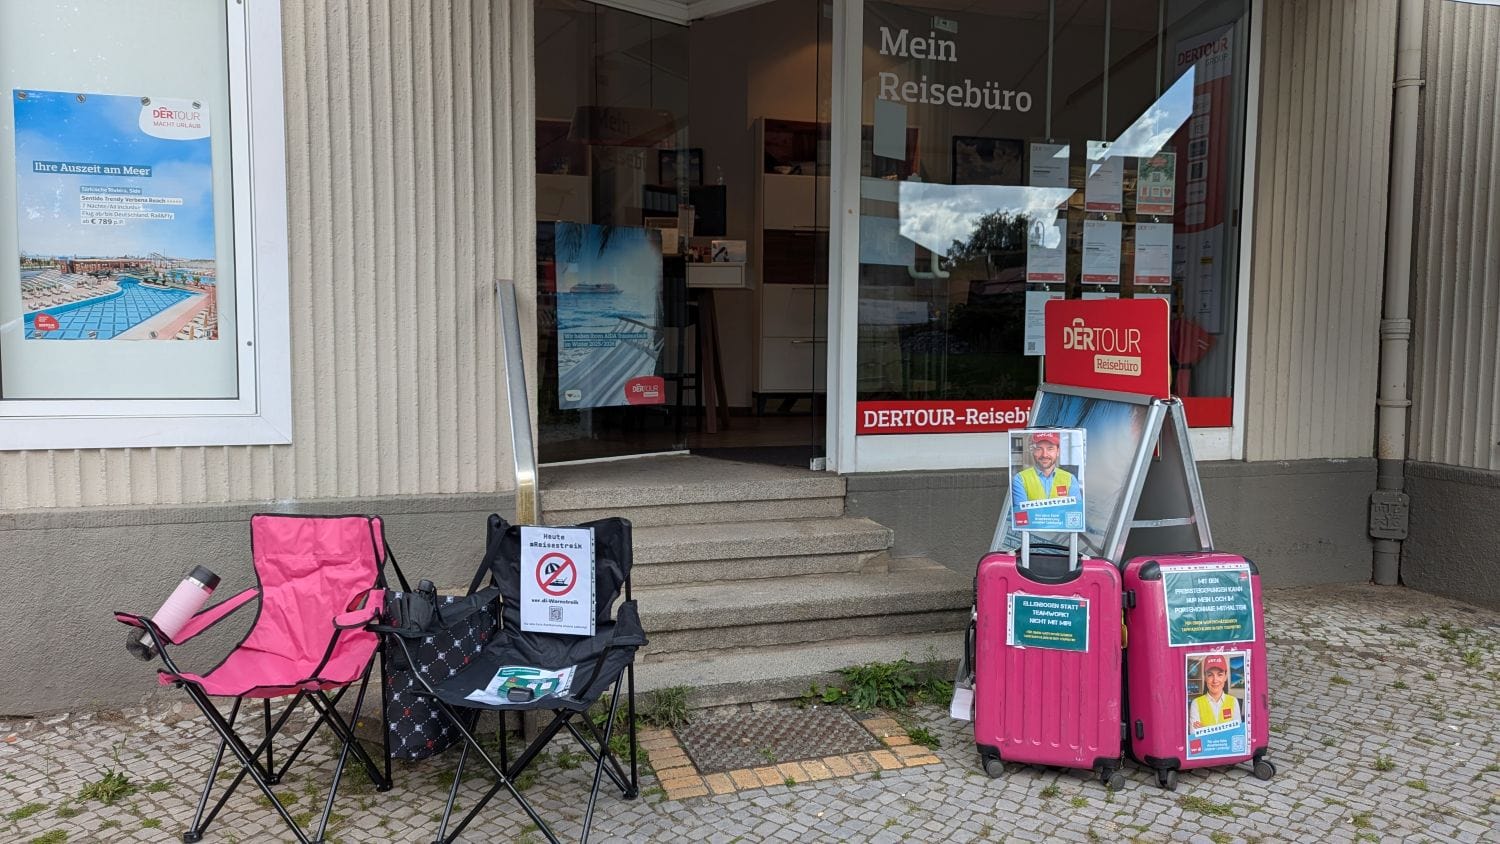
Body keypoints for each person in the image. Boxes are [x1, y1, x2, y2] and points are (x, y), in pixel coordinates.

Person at [1010, 431, 1080, 504]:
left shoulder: (1070, 479)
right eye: (1039, 449)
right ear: (1033, 451)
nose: (1044, 455)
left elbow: (1075, 509)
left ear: (1058, 452)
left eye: (1050, 449)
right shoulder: (1020, 479)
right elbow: (1021, 511)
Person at [1189, 654, 1242, 732]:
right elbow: (1195, 736)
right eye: (1210, 675)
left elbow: (1237, 733)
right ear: (1205, 677)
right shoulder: (1196, 703)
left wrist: (1205, 730)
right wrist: (1226, 730)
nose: (1215, 680)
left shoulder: (1233, 701)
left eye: (1220, 675)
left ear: (1225, 677)